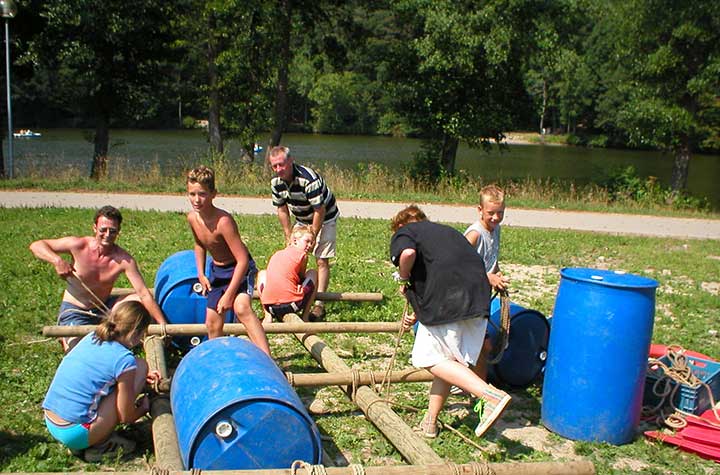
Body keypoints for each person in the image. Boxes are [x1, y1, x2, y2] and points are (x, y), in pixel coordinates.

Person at [389, 205, 511, 439]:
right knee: (447, 362)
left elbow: (407, 255)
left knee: (427, 358)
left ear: (400, 227)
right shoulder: (445, 233)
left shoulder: (406, 233)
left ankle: (488, 395)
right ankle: (430, 422)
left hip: (449, 303)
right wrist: (415, 309)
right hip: (477, 299)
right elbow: (442, 272)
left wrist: (403, 276)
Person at [30, 205, 168, 352]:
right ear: (95, 228)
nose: (107, 234)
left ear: (118, 232)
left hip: (105, 310)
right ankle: (69, 338)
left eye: (113, 231)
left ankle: (120, 336)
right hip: (76, 311)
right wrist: (56, 261)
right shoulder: (78, 245)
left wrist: (162, 324)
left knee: (138, 301)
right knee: (81, 351)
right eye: (103, 230)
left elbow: (143, 293)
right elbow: (37, 245)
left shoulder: (123, 260)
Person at [42, 301, 160, 462]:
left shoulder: (92, 337)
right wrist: (143, 408)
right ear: (136, 333)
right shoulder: (124, 360)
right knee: (141, 366)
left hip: (51, 421)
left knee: (138, 368)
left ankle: (87, 440)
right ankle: (100, 446)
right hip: (75, 433)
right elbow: (125, 416)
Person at [186, 165, 270, 354]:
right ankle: (219, 359)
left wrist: (229, 294)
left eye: (202, 194)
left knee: (241, 308)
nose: (197, 200)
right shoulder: (192, 218)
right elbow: (199, 244)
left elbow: (242, 260)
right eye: (192, 194)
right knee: (212, 321)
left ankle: (267, 358)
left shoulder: (223, 222)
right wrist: (201, 273)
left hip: (239, 269)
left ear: (213, 193)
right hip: (217, 271)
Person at [268, 146, 339, 321]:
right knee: (296, 254)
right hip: (301, 217)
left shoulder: (308, 180)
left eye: (281, 165)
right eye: (274, 166)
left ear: (291, 161)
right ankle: (299, 293)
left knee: (321, 259)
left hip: (325, 216)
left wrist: (313, 234)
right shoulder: (276, 183)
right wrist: (288, 234)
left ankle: (319, 304)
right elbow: (282, 209)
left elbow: (319, 210)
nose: (278, 170)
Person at [462, 184, 510, 382]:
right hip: (466, 297)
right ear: (479, 210)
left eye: (500, 213)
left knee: (480, 345)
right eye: (491, 213)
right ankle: (477, 389)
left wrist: (497, 272)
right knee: (482, 346)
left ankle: (472, 384)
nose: (496, 218)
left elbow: (491, 258)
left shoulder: (495, 229)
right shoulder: (475, 234)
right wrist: (487, 277)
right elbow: (457, 264)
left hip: (481, 296)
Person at [257, 225, 319, 323]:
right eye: (307, 241)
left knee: (262, 273)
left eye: (312, 243)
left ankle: (267, 316)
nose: (310, 245)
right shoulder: (302, 255)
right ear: (295, 241)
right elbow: (301, 277)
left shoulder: (277, 254)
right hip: (292, 305)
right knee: (313, 273)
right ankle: (305, 316)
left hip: (270, 307)